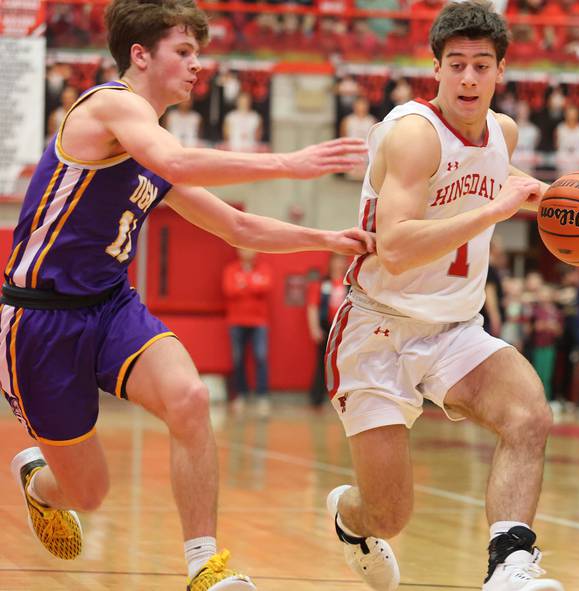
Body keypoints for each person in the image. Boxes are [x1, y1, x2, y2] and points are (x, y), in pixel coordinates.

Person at [1, 2, 373, 590]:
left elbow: (239, 228)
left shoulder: (154, 149)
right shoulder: (110, 105)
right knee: (87, 494)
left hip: (110, 305)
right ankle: (40, 483)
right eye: (185, 52)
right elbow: (173, 158)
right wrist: (288, 163)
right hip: (41, 321)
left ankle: (205, 566)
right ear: (141, 55)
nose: (198, 66)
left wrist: (325, 238)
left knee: (191, 398)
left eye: (199, 53)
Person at [322, 3, 563, 591]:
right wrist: (498, 209)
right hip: (377, 329)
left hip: (454, 327)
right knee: (389, 514)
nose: (469, 78)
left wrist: (566, 205)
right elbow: (398, 247)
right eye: (457, 64)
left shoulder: (502, 133)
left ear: (501, 72)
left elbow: (507, 191)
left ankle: (509, 563)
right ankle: (349, 521)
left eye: (483, 65)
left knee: (529, 414)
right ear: (436, 68)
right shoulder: (412, 135)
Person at [223, 248, 273, 416]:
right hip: (236, 321)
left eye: (250, 248)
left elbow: (265, 287)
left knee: (260, 356)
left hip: (259, 322)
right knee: (238, 359)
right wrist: (252, 284)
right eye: (243, 248)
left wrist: (244, 284)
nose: (247, 252)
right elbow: (229, 290)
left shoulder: (264, 268)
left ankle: (262, 396)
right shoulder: (231, 269)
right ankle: (240, 396)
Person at [307, 253, 349, 407]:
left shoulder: (350, 284)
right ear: (331, 263)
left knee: (345, 365)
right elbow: (312, 306)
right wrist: (314, 328)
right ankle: (316, 399)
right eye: (336, 261)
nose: (339, 264)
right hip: (325, 328)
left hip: (345, 330)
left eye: (342, 261)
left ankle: (344, 400)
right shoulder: (322, 283)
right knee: (322, 364)